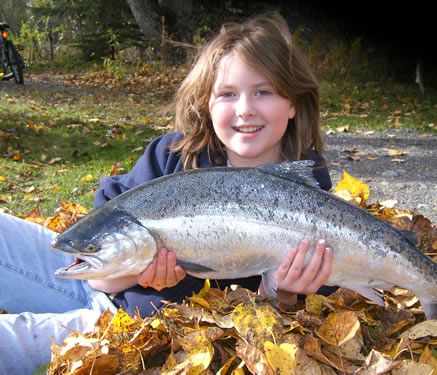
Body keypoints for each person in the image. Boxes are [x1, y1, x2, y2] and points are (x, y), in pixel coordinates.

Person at [0, 11, 334, 373]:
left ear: (294, 104)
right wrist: (137, 270)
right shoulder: (173, 154)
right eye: (227, 94)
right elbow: (98, 270)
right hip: (91, 276)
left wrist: (285, 293)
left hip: (122, 325)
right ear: (207, 103)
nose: (245, 109)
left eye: (263, 92)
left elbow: (266, 324)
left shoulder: (305, 188)